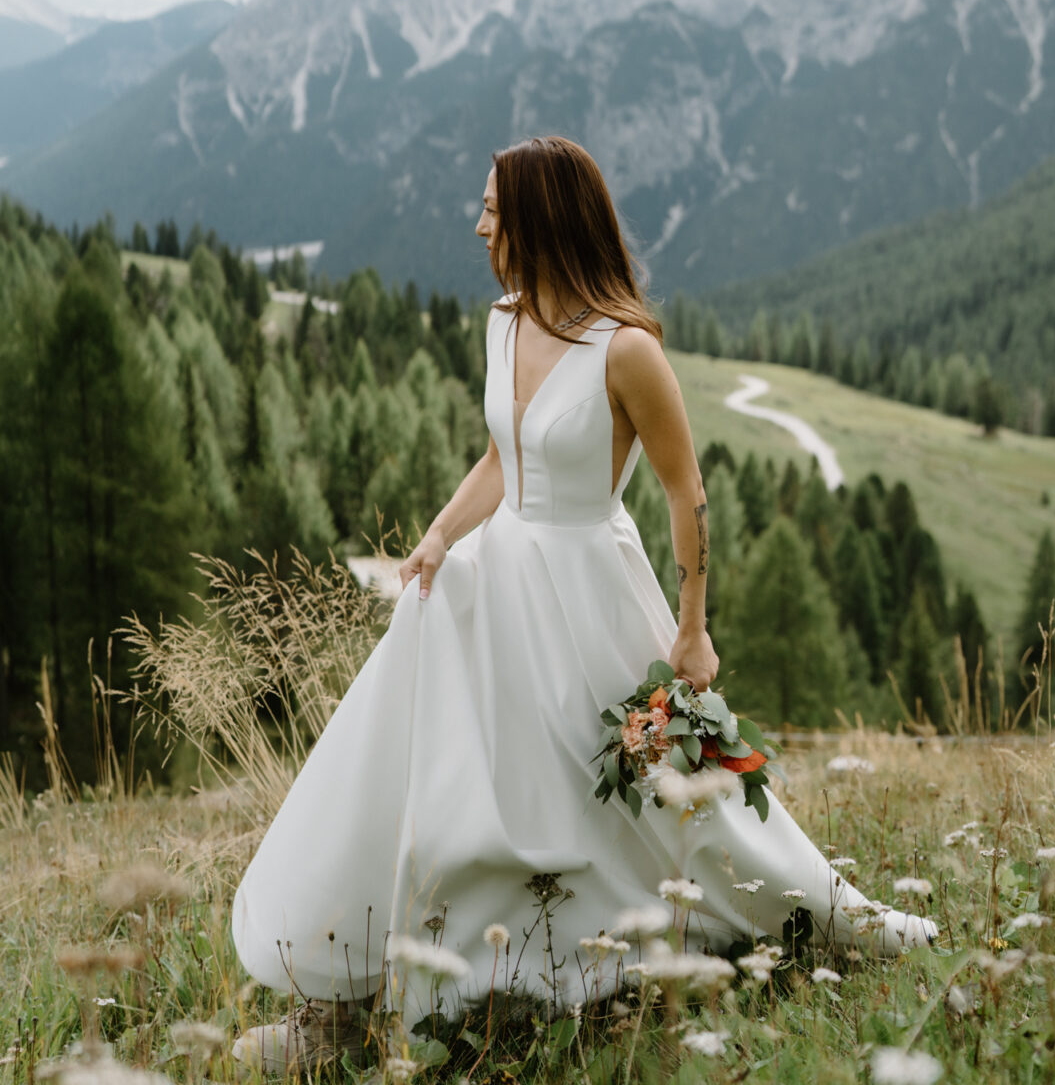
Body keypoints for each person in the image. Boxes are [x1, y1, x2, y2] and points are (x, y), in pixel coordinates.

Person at [231, 135, 936, 1070]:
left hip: (590, 583)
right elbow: (500, 456)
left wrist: (693, 628)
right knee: (454, 777)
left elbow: (688, 494)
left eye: (493, 208)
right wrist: (441, 536)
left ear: (540, 219)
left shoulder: (627, 351)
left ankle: (816, 917)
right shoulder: (503, 322)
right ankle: (421, 984)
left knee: (668, 796)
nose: (479, 224)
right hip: (494, 581)